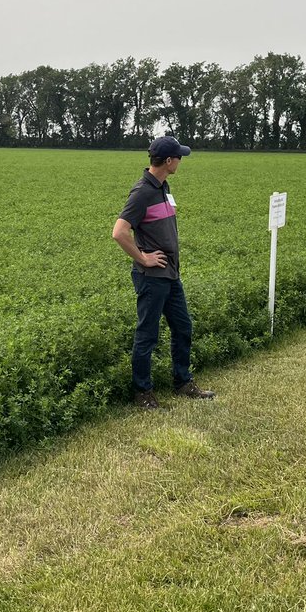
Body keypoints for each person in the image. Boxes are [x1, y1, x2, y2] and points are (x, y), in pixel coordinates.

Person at [112, 136, 215, 409]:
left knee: (183, 327)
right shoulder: (142, 192)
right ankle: (142, 394)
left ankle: (183, 382)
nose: (181, 160)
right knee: (147, 335)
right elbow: (119, 232)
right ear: (169, 161)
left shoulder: (163, 186)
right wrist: (143, 258)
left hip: (170, 274)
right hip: (152, 277)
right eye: (179, 156)